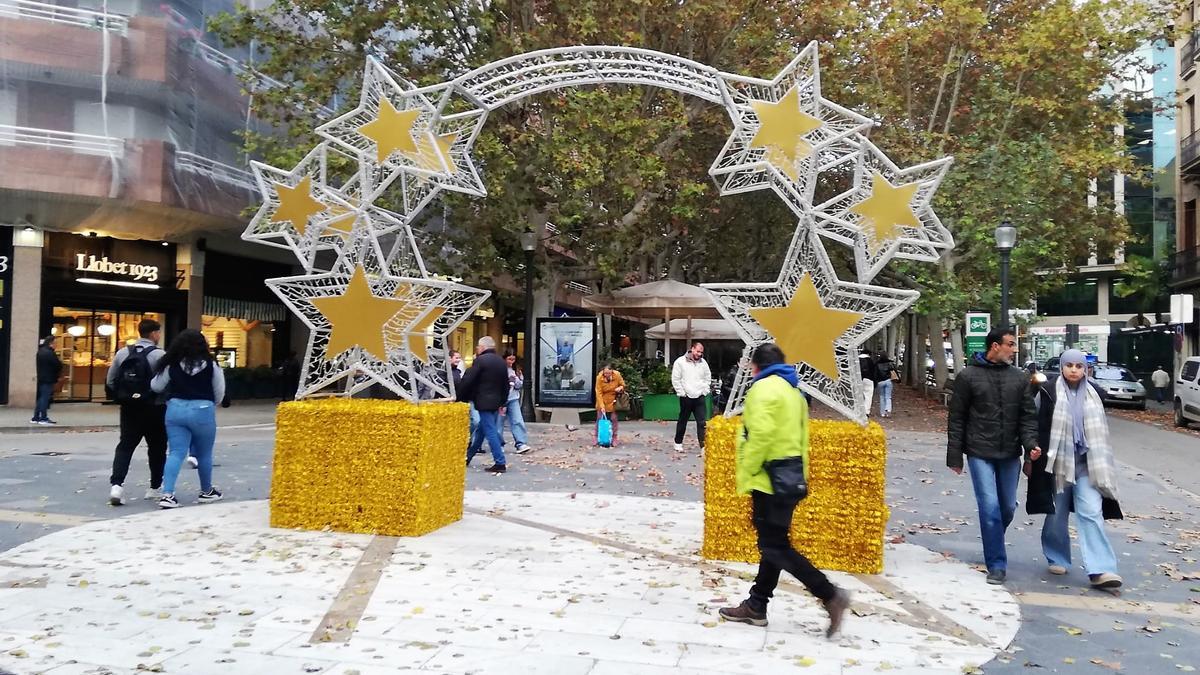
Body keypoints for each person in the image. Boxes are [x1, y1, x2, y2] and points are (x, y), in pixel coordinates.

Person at [717, 343, 851, 637]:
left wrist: (748, 470)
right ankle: (756, 606)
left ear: (756, 367)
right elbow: (802, 438)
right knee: (773, 545)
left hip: (768, 479)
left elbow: (760, 435)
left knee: (775, 547)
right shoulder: (794, 393)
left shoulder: (762, 389)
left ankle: (829, 594)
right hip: (790, 478)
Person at [946, 326, 1041, 585]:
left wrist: (1030, 444)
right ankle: (997, 565)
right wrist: (954, 456)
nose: (1014, 349)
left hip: (1010, 452)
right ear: (995, 346)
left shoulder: (1020, 377)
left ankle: (993, 536)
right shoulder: (967, 377)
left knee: (1006, 508)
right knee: (990, 507)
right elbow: (957, 418)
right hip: (979, 452)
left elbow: (1027, 417)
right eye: (1010, 344)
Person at [1026, 349, 1124, 589]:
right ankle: (1057, 556)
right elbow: (1033, 423)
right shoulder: (1048, 391)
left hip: (1089, 465)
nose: (1073, 370)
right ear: (1061, 367)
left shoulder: (1095, 394)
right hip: (1057, 464)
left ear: (1085, 369)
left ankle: (1102, 569)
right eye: (1069, 365)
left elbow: (1100, 430)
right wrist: (1029, 454)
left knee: (1091, 512)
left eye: (1078, 366)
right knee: (1056, 514)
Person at [150, 329, 225, 509]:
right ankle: (206, 492)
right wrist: (209, 403)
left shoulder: (172, 364)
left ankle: (167, 494)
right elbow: (220, 392)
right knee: (204, 453)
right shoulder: (211, 364)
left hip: (175, 410)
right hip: (203, 411)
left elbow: (156, 386)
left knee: (176, 453)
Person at [105, 319, 169, 505]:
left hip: (129, 409)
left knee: (125, 446)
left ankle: (116, 486)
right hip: (154, 408)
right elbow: (166, 383)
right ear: (154, 334)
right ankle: (155, 487)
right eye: (158, 332)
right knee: (157, 448)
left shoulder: (123, 353)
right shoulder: (160, 355)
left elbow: (111, 380)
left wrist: (124, 396)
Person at [458, 336, 509, 473]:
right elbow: (505, 384)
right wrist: (503, 401)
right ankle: (468, 457)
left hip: (483, 401)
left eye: (478, 347)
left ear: (482, 347)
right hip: (496, 401)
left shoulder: (480, 361)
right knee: (481, 430)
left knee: (490, 431)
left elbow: (469, 379)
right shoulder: (500, 361)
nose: (477, 349)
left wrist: (460, 397)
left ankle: (500, 462)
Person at [672, 341, 711, 451]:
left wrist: (704, 390)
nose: (699, 354)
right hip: (686, 396)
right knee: (683, 420)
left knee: (702, 422)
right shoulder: (680, 362)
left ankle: (703, 446)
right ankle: (678, 442)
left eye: (701, 352)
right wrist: (682, 393)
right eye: (698, 351)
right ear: (692, 349)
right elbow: (676, 379)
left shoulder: (703, 363)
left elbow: (708, 377)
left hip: (699, 396)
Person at [503, 350, 532, 454]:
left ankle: (520, 443)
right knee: (499, 423)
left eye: (513, 359)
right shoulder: (501, 368)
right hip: (502, 398)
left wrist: (518, 379)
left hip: (513, 397)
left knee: (517, 420)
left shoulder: (516, 369)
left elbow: (519, 385)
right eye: (509, 359)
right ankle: (498, 444)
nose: (511, 361)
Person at [594, 363, 627, 446]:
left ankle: (614, 437)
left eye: (608, 373)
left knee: (614, 419)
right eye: (605, 373)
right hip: (603, 400)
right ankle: (597, 437)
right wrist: (601, 406)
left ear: (612, 371)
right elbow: (598, 393)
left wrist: (620, 388)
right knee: (599, 419)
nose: (607, 375)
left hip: (613, 400)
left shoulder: (617, 375)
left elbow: (623, 385)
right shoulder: (599, 378)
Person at [33, 336, 62, 425]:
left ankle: (36, 417)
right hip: (49, 378)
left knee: (41, 398)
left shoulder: (40, 352)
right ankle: (43, 418)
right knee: (45, 398)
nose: (56, 345)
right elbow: (57, 365)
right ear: (51, 343)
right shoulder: (50, 353)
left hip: (42, 377)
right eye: (55, 343)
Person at [875, 352, 898, 418]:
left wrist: (875, 382)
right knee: (888, 397)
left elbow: (875, 374)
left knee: (882, 397)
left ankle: (882, 413)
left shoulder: (877, 364)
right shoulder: (890, 363)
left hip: (880, 382)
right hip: (888, 381)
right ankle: (888, 410)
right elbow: (894, 371)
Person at [858, 348, 876, 416]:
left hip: (858, 380)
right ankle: (866, 411)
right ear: (868, 354)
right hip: (869, 379)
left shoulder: (856, 360)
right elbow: (873, 372)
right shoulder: (870, 361)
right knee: (868, 396)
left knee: (859, 395)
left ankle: (859, 410)